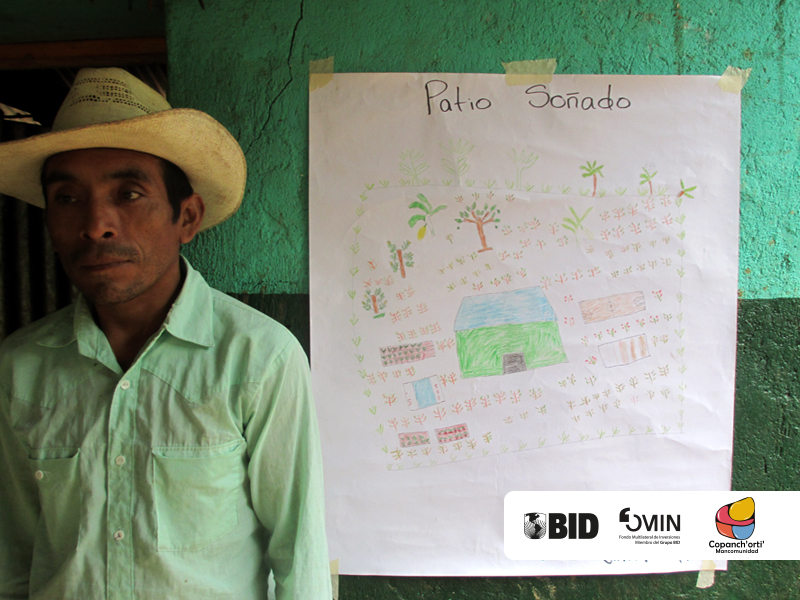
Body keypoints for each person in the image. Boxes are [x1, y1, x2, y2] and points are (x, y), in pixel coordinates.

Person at [0, 67, 331, 600]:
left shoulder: (258, 359)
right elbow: (13, 558)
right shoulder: (19, 369)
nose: (96, 224)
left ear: (188, 217)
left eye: (129, 193)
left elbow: (301, 556)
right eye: (67, 198)